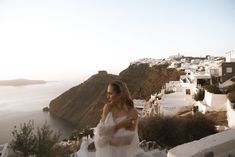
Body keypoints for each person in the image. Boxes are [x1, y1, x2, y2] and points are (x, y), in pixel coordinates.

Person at [94, 80, 139, 157]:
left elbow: (128, 140)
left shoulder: (132, 112)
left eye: (110, 93)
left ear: (120, 94)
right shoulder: (108, 108)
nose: (107, 97)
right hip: (105, 153)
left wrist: (106, 140)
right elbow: (101, 131)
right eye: (107, 93)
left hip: (124, 154)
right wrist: (120, 125)